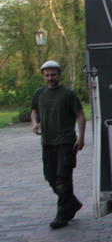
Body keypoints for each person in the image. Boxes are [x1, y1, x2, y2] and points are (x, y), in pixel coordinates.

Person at [31, 60, 86, 229]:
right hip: (47, 142)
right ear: (43, 76)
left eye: (53, 75)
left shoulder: (68, 94)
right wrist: (35, 123)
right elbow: (34, 111)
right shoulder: (39, 93)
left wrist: (81, 137)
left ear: (59, 74)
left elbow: (80, 115)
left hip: (66, 142)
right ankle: (72, 203)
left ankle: (62, 216)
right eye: (47, 75)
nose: (50, 78)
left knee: (63, 177)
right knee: (50, 176)